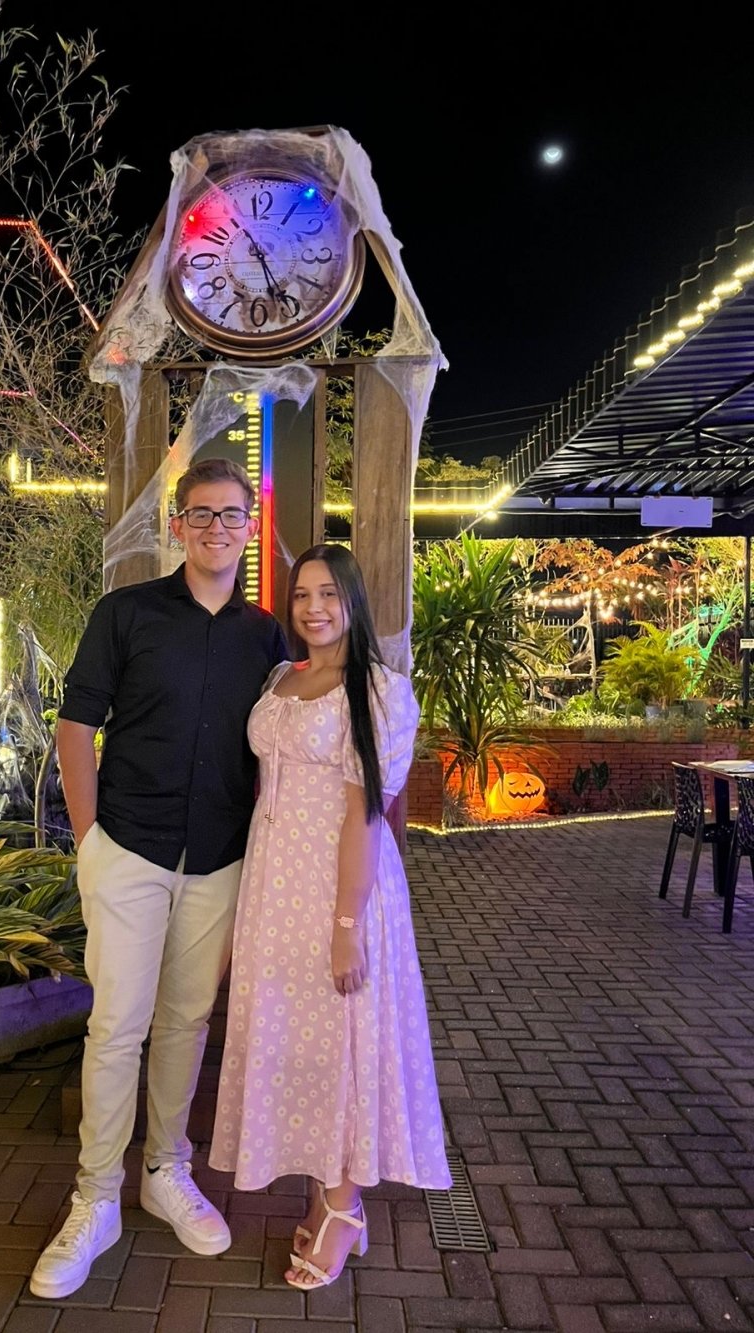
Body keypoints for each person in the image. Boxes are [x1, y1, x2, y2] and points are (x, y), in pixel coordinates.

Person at [30, 458, 287, 1301]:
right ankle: (95, 1197)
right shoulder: (126, 612)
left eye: (231, 514)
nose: (217, 527)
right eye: (201, 513)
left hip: (220, 857)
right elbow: (76, 726)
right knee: (116, 1028)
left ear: (251, 527)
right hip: (129, 850)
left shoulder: (266, 638)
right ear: (178, 525)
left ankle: (165, 1169)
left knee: (187, 1021)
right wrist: (89, 841)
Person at [209, 542, 452, 1290]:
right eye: (302, 595)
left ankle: (343, 1207)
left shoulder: (376, 691)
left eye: (328, 594)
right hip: (272, 887)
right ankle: (324, 1190)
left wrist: (347, 927)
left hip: (337, 888)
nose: (313, 608)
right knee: (298, 1040)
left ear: (353, 601)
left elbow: (365, 816)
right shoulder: (282, 676)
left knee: (342, 1040)